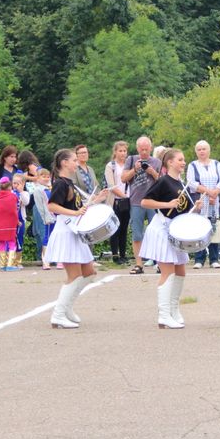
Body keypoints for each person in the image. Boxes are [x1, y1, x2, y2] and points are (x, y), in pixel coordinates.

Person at [139, 148, 202, 329]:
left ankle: (174, 310)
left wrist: (196, 207)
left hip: (176, 232)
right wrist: (166, 204)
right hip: (162, 230)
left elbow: (181, 210)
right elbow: (145, 202)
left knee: (181, 272)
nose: (183, 162)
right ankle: (164, 315)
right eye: (180, 160)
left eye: (184, 160)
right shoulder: (164, 181)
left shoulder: (180, 183)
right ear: (170, 163)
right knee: (168, 273)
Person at [46, 149, 109, 329]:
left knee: (89, 272)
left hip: (74, 232)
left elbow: (80, 207)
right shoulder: (60, 183)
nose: (76, 163)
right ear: (64, 163)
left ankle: (66, 308)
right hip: (65, 232)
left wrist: (98, 199)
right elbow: (52, 206)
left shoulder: (70, 183)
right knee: (74, 276)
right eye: (74, 160)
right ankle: (58, 315)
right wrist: (74, 212)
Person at [121, 137, 162, 274]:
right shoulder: (131, 160)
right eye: (141, 149)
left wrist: (152, 172)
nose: (144, 152)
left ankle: (159, 263)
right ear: (137, 148)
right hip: (136, 202)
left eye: (146, 149)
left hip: (152, 202)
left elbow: (162, 182)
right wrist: (135, 169)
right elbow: (123, 178)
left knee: (156, 233)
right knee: (137, 234)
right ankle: (139, 264)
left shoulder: (157, 162)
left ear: (151, 148)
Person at [189, 140, 220, 269]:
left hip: (214, 201)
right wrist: (208, 192)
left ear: (208, 150)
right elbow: (192, 183)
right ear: (196, 152)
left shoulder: (216, 164)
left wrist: (215, 193)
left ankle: (214, 259)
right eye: (199, 149)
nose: (202, 151)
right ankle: (199, 259)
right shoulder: (192, 165)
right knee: (200, 230)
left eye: (204, 149)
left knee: (213, 228)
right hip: (200, 201)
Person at [104, 141, 131, 264]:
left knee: (124, 228)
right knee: (116, 228)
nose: (122, 153)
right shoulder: (111, 166)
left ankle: (123, 254)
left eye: (124, 151)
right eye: (120, 151)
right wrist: (123, 195)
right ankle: (115, 255)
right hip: (116, 200)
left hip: (128, 199)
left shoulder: (128, 165)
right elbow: (111, 185)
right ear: (115, 152)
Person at [0, 178, 20, 271]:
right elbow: (14, 211)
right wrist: (17, 221)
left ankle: (2, 264)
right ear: (9, 187)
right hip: (10, 224)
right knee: (12, 242)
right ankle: (10, 264)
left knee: (1, 243)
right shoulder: (13, 197)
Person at [31, 168, 55, 269]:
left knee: (54, 237)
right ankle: (45, 261)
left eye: (47, 176)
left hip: (55, 216)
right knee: (46, 238)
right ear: (38, 177)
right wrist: (45, 218)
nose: (46, 178)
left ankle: (55, 259)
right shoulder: (38, 190)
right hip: (48, 217)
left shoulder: (50, 188)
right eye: (43, 176)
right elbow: (40, 206)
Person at [11, 173, 30, 269]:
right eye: (14, 183)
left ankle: (18, 261)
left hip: (21, 220)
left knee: (19, 239)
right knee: (11, 239)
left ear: (23, 184)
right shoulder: (10, 193)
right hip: (11, 220)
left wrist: (21, 192)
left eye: (18, 183)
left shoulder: (25, 193)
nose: (16, 185)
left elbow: (26, 202)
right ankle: (10, 260)